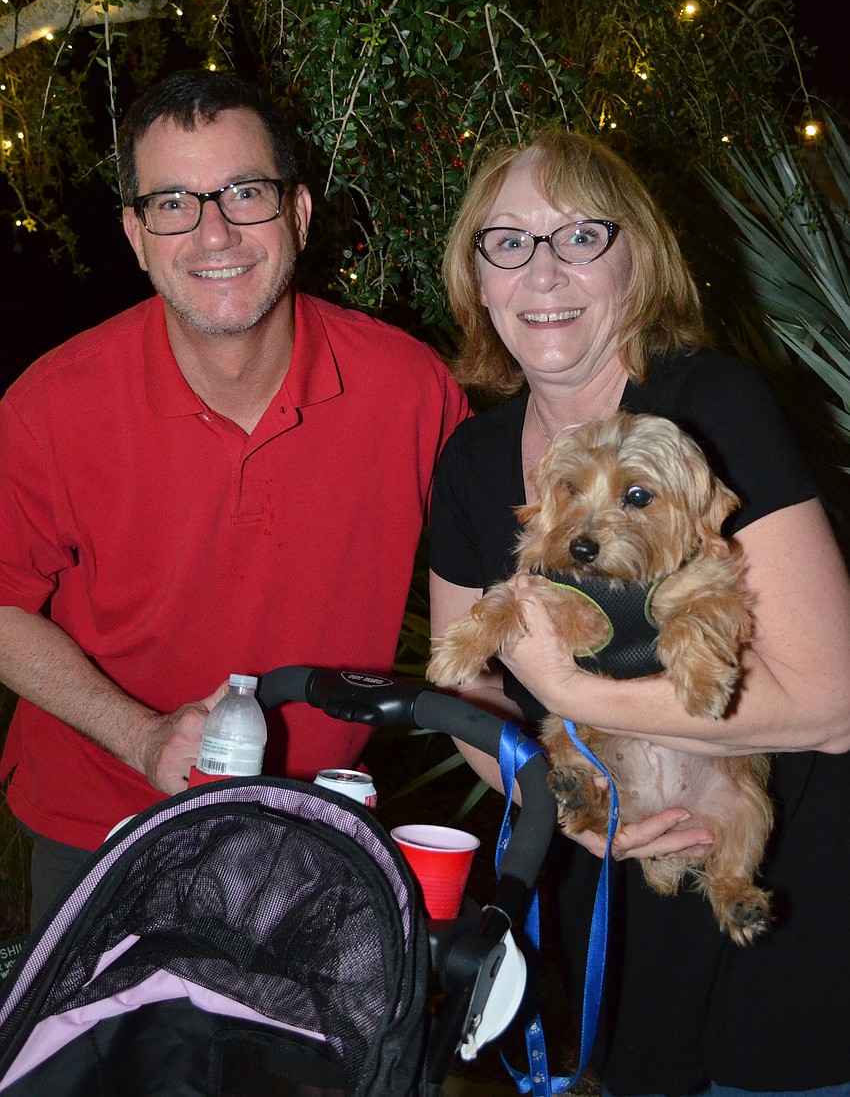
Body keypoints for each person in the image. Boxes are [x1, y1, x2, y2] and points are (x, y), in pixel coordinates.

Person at [428, 125, 850, 1096]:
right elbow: (465, 697)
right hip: (611, 901)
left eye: (580, 236)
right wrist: (563, 808)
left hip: (792, 910)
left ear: (636, 261)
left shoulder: (711, 410)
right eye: (508, 242)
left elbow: (831, 700)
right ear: (477, 279)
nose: (541, 270)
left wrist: (573, 688)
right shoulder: (470, 463)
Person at [0, 68, 469, 925]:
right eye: (174, 202)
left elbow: (513, 563)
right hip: (99, 830)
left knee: (304, 1067)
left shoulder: (410, 389)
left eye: (244, 192)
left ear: (296, 213)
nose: (214, 231)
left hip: (315, 834)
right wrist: (141, 735)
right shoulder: (49, 405)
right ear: (136, 236)